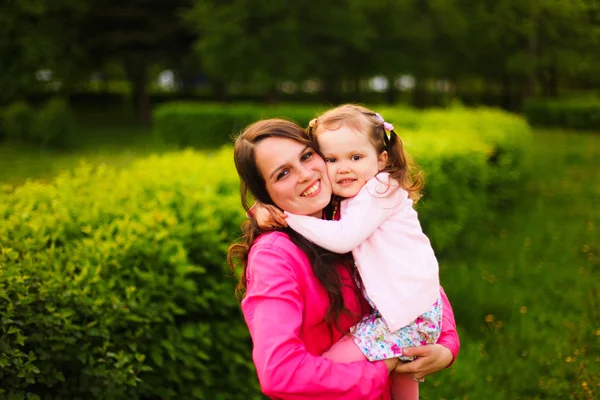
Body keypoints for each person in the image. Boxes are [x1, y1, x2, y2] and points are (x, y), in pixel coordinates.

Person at [228, 118, 459, 399]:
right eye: (283, 173)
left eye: (307, 156)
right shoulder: (275, 257)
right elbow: (280, 374)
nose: (304, 174)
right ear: (265, 194)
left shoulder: (348, 215)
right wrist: (383, 367)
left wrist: (446, 346)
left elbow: (414, 278)